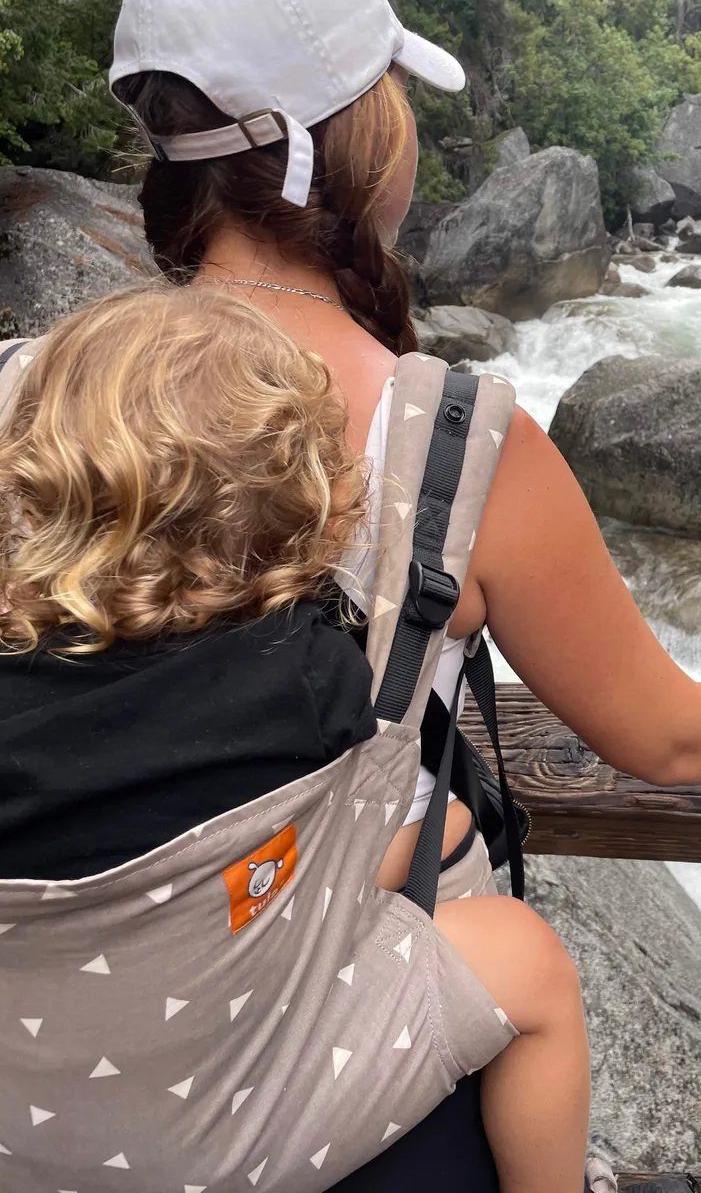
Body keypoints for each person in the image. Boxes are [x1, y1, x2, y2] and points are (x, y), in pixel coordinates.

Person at [100, 0, 701, 1188]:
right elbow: (666, 736)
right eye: (389, 94)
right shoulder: (454, 446)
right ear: (354, 145)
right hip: (309, 1090)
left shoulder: (30, 393)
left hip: (62, 1070)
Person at [0, 286, 592, 1193]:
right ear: (303, 496)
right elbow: (308, 858)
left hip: (27, 1129)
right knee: (526, 958)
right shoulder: (312, 685)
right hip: (230, 1138)